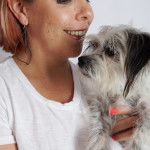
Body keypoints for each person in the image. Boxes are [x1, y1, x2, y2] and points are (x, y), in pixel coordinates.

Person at [0, 0, 138, 149]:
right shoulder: (5, 91)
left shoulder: (113, 87)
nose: (88, 12)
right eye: (64, 0)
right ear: (21, 10)